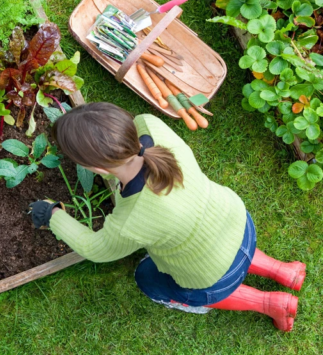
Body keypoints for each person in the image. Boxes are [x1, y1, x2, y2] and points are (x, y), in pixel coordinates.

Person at [29, 102, 306, 331]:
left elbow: (95, 248)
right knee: (222, 246)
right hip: (238, 222)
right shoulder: (151, 126)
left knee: (147, 278)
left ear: (98, 169)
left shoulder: (131, 220)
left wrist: (52, 214)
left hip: (212, 276)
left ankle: (270, 303)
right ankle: (283, 271)